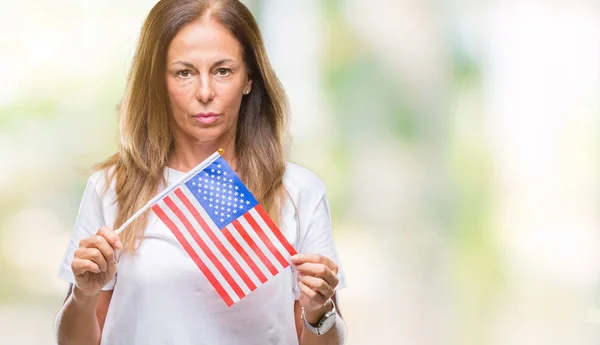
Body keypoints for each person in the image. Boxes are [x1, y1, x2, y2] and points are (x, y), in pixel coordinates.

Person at [54, 1, 347, 344]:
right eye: (184, 72)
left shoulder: (298, 191)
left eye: (223, 70)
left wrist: (317, 311)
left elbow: (326, 336)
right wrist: (84, 295)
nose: (205, 93)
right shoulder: (110, 189)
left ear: (249, 78)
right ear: (158, 82)